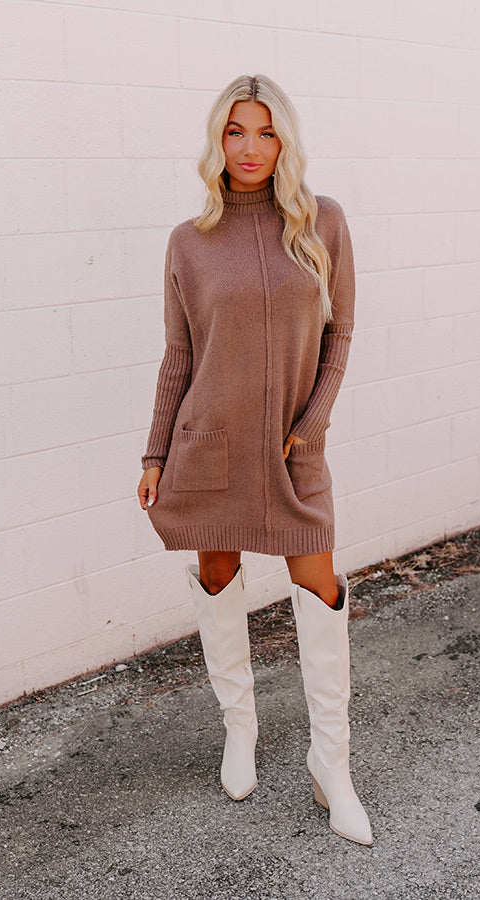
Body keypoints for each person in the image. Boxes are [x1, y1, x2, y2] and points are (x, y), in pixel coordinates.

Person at [137, 74, 372, 846]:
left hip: (295, 446)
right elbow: (179, 356)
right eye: (236, 131)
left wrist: (314, 423)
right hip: (212, 443)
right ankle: (240, 728)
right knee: (216, 575)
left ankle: (331, 763)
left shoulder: (322, 220)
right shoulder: (189, 241)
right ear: (218, 139)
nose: (250, 147)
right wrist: (155, 452)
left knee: (321, 587)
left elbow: (339, 334)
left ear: (284, 142)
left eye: (266, 132)